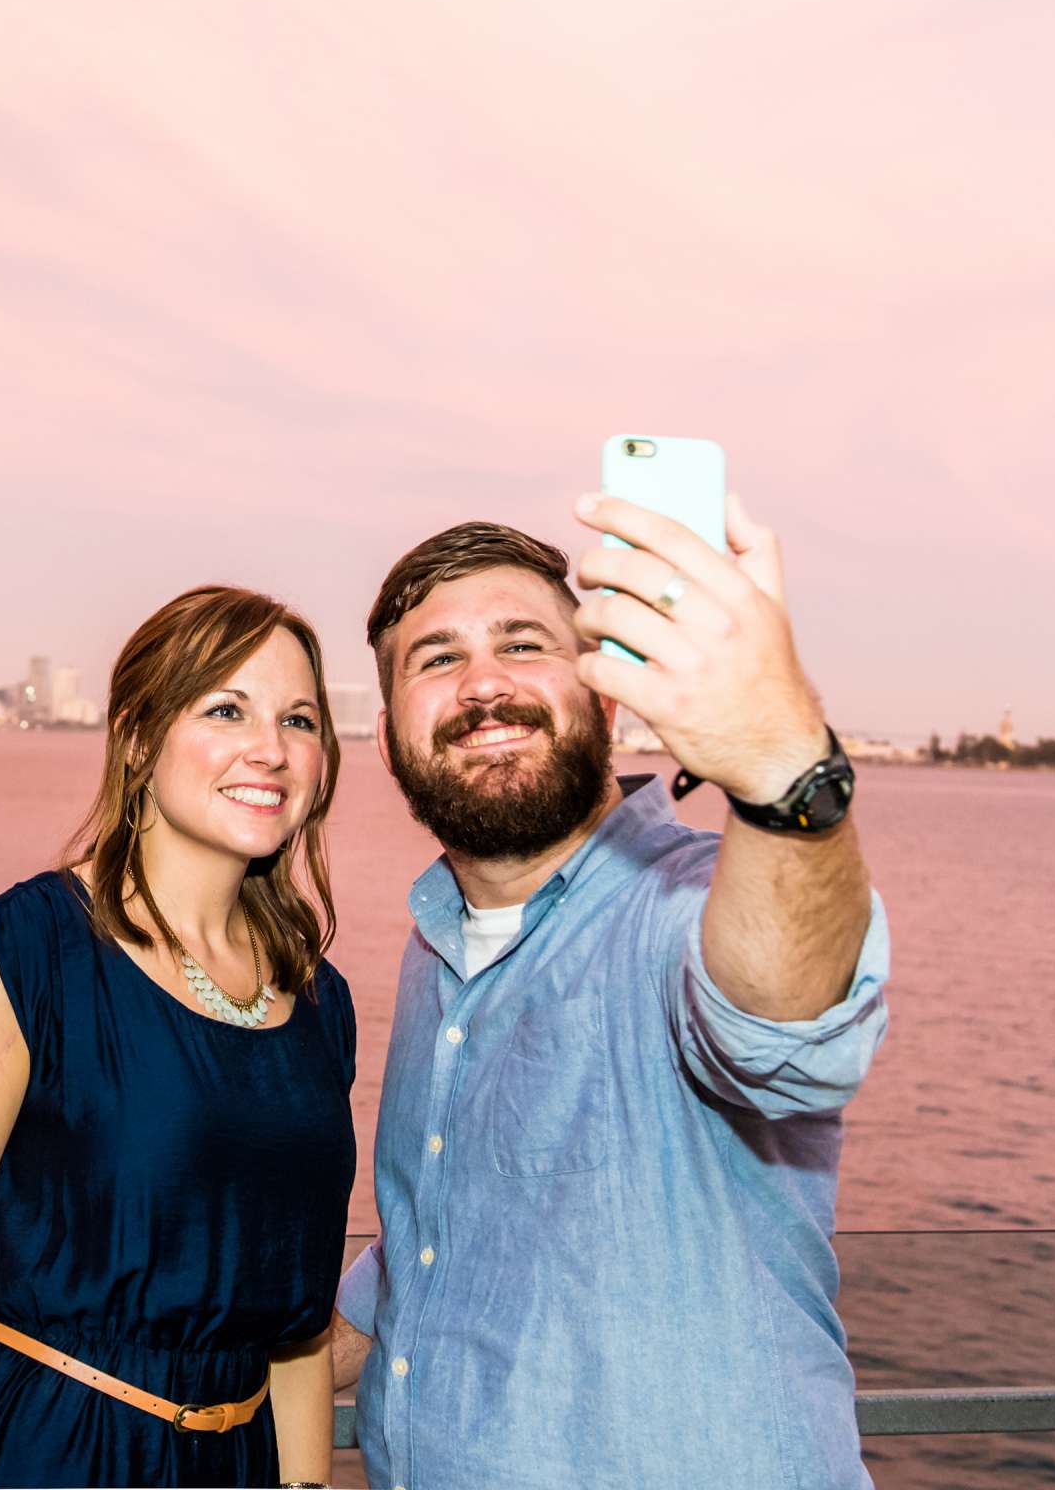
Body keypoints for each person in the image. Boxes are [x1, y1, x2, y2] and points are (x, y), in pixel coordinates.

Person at [330, 498, 892, 1490]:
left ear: (610, 702)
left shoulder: (687, 909)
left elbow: (782, 1025)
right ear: (388, 741)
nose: (485, 683)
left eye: (523, 643)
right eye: (438, 658)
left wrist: (783, 772)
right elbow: (448, 1221)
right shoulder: (436, 948)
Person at [0, 585, 358, 1490]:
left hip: (235, 1463)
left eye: (299, 718)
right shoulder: (34, 951)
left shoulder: (319, 1001)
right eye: (226, 709)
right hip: (39, 1452)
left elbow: (294, 1334)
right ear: (139, 737)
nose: (270, 748)